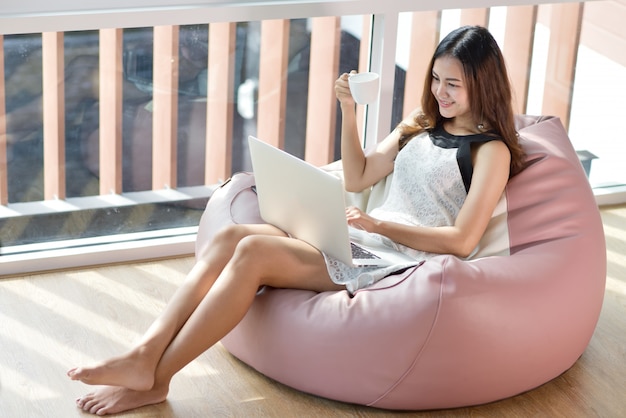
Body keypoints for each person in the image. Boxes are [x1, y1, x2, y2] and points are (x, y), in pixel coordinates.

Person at [67, 25, 525, 415]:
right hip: (356, 236)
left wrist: (380, 226)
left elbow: (464, 240)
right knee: (231, 236)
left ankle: (159, 377)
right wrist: (349, 111)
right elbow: (360, 173)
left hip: (394, 260)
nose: (440, 93)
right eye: (437, 79)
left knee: (252, 250)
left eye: (454, 86)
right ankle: (144, 353)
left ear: (482, 86)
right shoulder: (421, 123)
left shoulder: (491, 152)